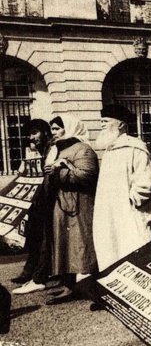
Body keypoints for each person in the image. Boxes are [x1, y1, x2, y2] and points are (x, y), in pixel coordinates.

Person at [93, 105, 151, 273]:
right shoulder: (110, 149)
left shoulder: (135, 147)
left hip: (129, 212)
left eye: (105, 121)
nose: (102, 125)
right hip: (108, 212)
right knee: (110, 251)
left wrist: (130, 202)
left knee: (131, 251)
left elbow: (144, 180)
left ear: (120, 125)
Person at [45, 115, 99, 305]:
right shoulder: (59, 149)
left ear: (69, 128)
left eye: (57, 128)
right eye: (52, 129)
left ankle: (88, 286)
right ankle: (70, 285)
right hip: (63, 202)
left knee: (81, 244)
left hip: (79, 204)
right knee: (65, 244)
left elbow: (87, 176)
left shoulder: (83, 149)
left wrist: (62, 170)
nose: (54, 132)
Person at [12, 120, 54, 295]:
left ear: (44, 132)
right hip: (35, 201)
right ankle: (30, 271)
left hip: (48, 200)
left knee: (45, 238)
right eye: (30, 134)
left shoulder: (51, 148)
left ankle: (39, 276)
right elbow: (25, 171)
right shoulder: (31, 151)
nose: (32, 137)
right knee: (35, 237)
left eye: (35, 133)